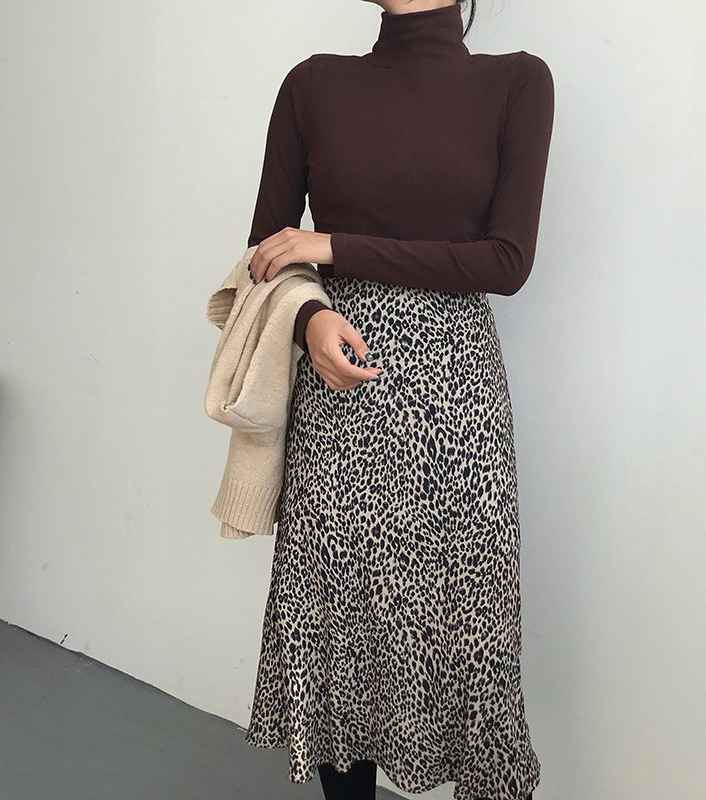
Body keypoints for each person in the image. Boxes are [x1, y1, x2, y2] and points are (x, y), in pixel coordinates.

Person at [242, 1, 554, 798]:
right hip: (338, 398)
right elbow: (266, 253)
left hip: (457, 406)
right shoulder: (313, 85)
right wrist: (309, 318)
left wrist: (334, 245)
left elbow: (506, 261)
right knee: (339, 634)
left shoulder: (517, 83)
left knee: (470, 634)